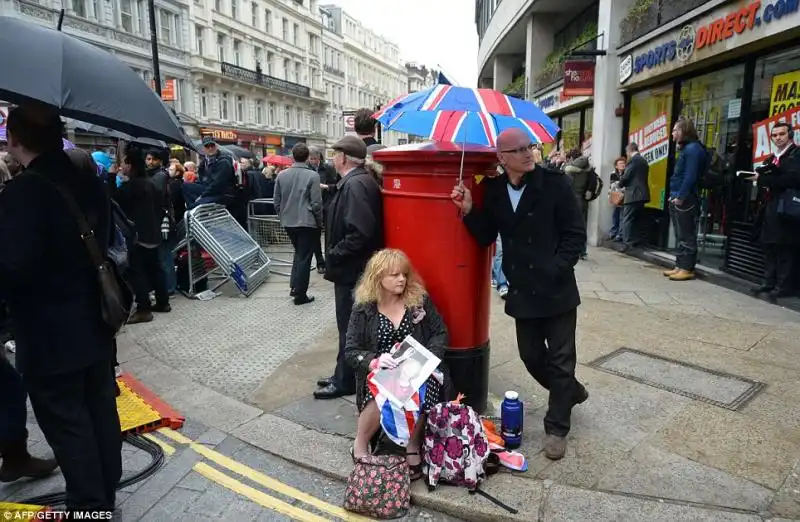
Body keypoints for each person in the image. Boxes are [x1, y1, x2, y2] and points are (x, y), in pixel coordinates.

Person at [0, 104, 121, 515]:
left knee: (68, 425)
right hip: (96, 323)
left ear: (13, 138)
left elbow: (15, 267)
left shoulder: (24, 191)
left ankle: (90, 507)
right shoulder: (88, 179)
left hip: (49, 335)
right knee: (100, 411)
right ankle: (104, 494)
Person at [450, 128, 588, 461]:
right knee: (530, 356)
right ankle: (569, 390)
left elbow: (575, 234)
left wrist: (557, 268)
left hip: (556, 289)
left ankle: (557, 428)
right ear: (501, 158)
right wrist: (468, 208)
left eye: (531, 147)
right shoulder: (494, 191)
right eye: (520, 149)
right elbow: (485, 236)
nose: (529, 154)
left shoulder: (555, 184)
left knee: (560, 358)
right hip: (523, 290)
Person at [345, 249, 447, 480]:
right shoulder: (364, 309)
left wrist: (428, 360)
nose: (402, 279)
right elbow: (351, 351)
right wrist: (374, 361)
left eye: (404, 274)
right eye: (394, 275)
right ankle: (360, 446)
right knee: (381, 390)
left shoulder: (418, 301)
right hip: (382, 370)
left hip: (416, 368)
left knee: (423, 386)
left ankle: (412, 445)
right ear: (378, 278)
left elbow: (439, 332)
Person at [315, 136, 384, 400]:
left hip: (352, 270)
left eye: (335, 154)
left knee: (349, 327)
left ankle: (345, 380)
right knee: (348, 326)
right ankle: (340, 373)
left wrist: (334, 253)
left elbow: (360, 231)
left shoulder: (355, 185)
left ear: (343, 158)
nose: (333, 158)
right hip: (353, 268)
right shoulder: (355, 182)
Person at [115, 147, 171, 323]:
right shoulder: (151, 183)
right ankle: (163, 302)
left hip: (137, 234)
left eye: (124, 162)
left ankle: (144, 308)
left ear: (130, 166)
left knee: (137, 271)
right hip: (152, 232)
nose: (121, 166)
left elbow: (114, 201)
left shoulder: (130, 186)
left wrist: (110, 178)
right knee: (155, 268)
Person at [749, 122, 800, 303]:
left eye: (782, 134)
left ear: (790, 135)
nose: (778, 138)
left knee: (784, 248)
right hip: (769, 206)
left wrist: (765, 178)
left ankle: (782, 286)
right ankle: (768, 282)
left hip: (787, 208)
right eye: (775, 135)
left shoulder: (795, 154)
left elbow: (792, 178)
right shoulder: (771, 158)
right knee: (769, 246)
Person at [273, 143, 323, 305]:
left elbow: (277, 201)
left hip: (289, 221)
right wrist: (319, 221)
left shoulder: (281, 175)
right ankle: (300, 294)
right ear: (307, 157)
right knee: (304, 257)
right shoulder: (312, 176)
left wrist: (283, 215)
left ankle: (295, 286)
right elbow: (316, 203)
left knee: (299, 253)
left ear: (292, 156)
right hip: (307, 221)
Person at [663, 118, 705, 282]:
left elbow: (690, 175)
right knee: (680, 233)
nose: (672, 134)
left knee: (686, 233)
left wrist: (681, 195)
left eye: (675, 130)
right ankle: (680, 265)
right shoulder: (687, 149)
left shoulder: (693, 149)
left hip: (686, 198)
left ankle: (687, 267)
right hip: (677, 195)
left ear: (683, 131)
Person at [183, 137, 237, 208]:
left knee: (194, 206)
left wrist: (202, 196)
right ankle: (192, 207)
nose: (210, 148)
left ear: (216, 146)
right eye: (207, 146)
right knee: (185, 186)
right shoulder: (204, 162)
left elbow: (218, 184)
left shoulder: (223, 161)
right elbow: (201, 180)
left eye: (212, 145)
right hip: (210, 190)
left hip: (223, 193)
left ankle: (193, 208)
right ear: (203, 149)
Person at [618, 142, 650, 251]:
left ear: (629, 150)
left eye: (627, 153)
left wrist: (620, 183)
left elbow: (627, 176)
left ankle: (627, 243)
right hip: (642, 194)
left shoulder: (633, 161)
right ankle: (635, 240)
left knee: (627, 218)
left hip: (633, 194)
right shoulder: (643, 160)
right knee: (636, 218)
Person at [607, 156, 627, 241]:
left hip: (624, 197)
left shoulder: (627, 174)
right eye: (620, 164)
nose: (622, 165)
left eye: (623, 163)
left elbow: (624, 186)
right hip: (616, 197)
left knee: (622, 216)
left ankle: (620, 234)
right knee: (615, 215)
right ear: (616, 166)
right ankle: (613, 232)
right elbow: (612, 185)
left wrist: (619, 186)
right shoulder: (613, 174)